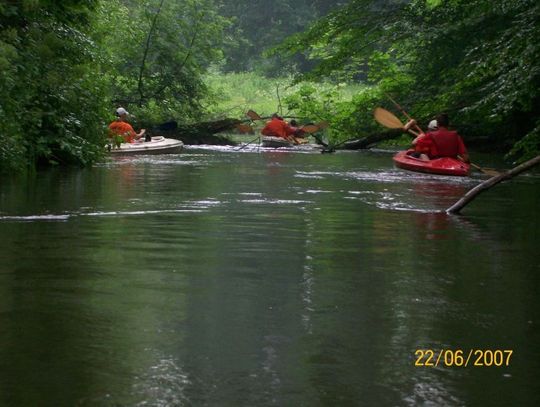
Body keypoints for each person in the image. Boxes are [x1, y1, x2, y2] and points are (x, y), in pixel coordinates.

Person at [404, 113, 469, 163]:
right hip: (452, 162)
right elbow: (465, 157)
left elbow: (417, 148)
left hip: (435, 162)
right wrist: (466, 163)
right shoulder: (456, 136)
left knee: (422, 154)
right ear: (448, 124)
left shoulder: (430, 135)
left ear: (438, 124)